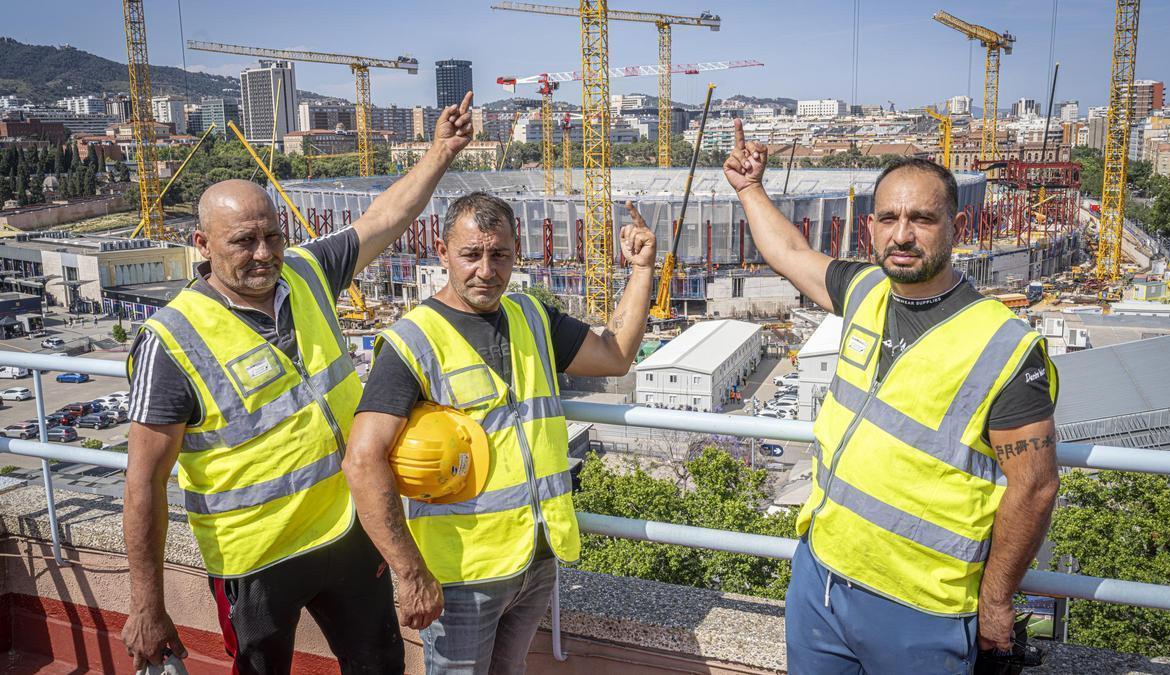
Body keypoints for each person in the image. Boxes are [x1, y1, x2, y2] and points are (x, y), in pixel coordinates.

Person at [121, 92, 477, 673]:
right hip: (257, 558)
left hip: (346, 532)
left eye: (273, 236)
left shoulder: (306, 274)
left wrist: (439, 152)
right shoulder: (172, 341)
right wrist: (146, 605)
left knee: (381, 664)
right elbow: (144, 484)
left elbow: (385, 218)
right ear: (202, 246)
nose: (264, 254)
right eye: (243, 241)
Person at [723, 119, 1060, 673]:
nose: (902, 234)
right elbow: (789, 254)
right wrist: (749, 189)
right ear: (871, 226)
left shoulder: (1005, 346)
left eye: (921, 219)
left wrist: (996, 602)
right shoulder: (865, 291)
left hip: (921, 609)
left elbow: (1036, 487)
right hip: (822, 579)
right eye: (889, 218)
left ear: (956, 226)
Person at [343, 192, 657, 673]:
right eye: (471, 254)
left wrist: (641, 270)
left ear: (515, 254)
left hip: (537, 557)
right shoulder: (414, 341)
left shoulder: (532, 317)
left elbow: (613, 357)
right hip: (462, 573)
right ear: (442, 252)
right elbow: (362, 460)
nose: (486, 270)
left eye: (500, 255)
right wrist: (410, 573)